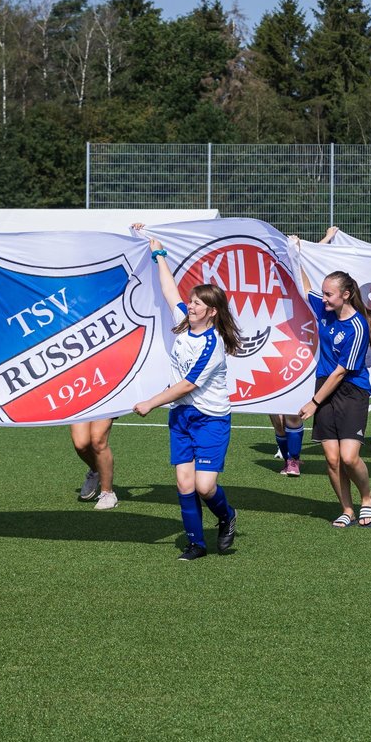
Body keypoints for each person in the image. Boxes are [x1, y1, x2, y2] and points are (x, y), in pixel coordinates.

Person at [133, 237, 241, 560]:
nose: (190, 306)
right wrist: (158, 254)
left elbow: (187, 386)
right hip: (182, 418)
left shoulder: (213, 345)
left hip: (211, 420)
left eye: (196, 304)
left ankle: (227, 515)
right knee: (184, 483)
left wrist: (151, 402)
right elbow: (169, 292)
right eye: (191, 301)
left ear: (211, 312)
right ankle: (197, 543)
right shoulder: (184, 324)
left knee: (205, 486)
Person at [292, 239, 371, 528]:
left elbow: (342, 372)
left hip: (351, 390)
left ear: (346, 295)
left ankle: (367, 499)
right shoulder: (325, 309)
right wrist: (297, 252)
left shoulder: (358, 327)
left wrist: (314, 402)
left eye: (330, 295)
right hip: (324, 385)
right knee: (331, 459)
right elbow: (305, 288)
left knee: (349, 456)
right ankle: (347, 508)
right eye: (324, 294)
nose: (324, 299)